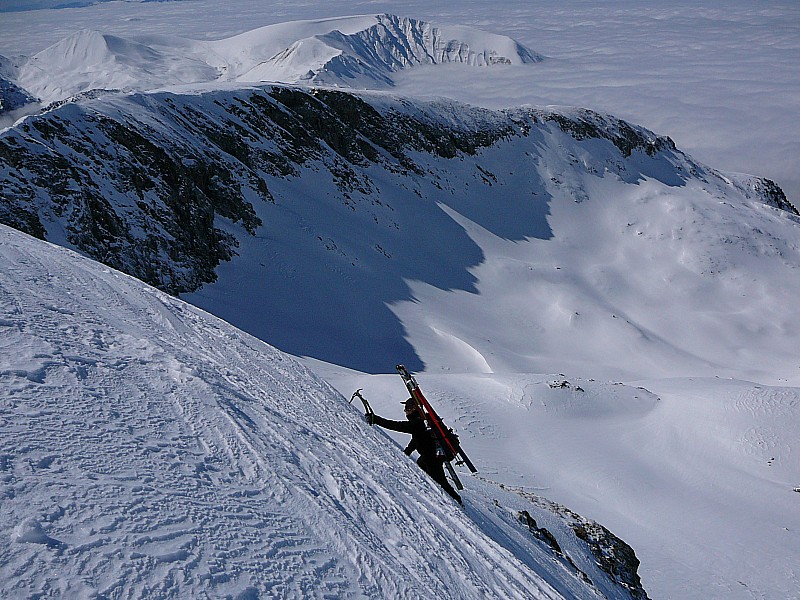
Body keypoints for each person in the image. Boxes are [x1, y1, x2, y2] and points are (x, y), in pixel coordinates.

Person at [367, 398, 462, 504]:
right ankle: (433, 492)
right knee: (422, 464)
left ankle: (457, 501)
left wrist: (376, 420)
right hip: (430, 456)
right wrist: (408, 451)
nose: (405, 411)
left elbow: (397, 426)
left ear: (414, 408)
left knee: (440, 481)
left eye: (407, 408)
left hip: (433, 457)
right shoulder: (422, 421)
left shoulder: (418, 422)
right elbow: (417, 438)